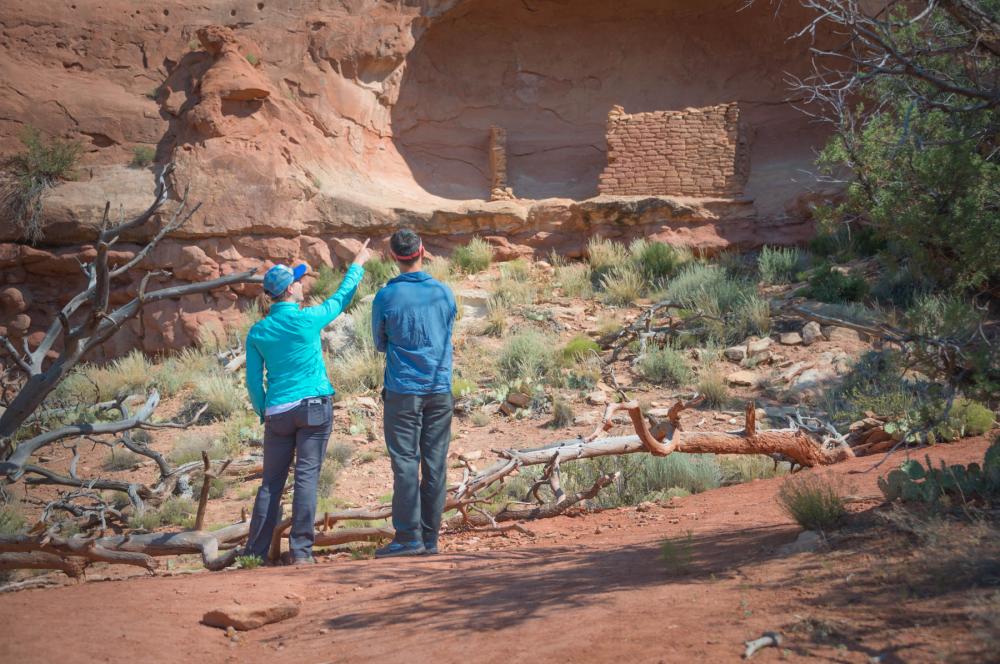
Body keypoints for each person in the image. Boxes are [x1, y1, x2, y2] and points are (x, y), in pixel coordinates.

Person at [242, 240, 371, 565]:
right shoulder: (307, 318)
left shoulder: (258, 332)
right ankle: (300, 552)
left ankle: (254, 554)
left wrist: (264, 411)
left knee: (271, 483)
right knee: (306, 477)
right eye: (297, 280)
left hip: (278, 412)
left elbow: (254, 383)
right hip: (313, 406)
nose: (302, 283)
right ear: (289, 290)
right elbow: (341, 299)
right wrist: (358, 264)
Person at [372, 229, 457, 558]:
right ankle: (429, 538)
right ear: (423, 251)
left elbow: (380, 343)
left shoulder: (386, 296)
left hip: (403, 390)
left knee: (406, 463)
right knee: (435, 463)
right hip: (439, 389)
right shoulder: (444, 292)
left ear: (394, 257)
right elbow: (448, 331)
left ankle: (408, 538)